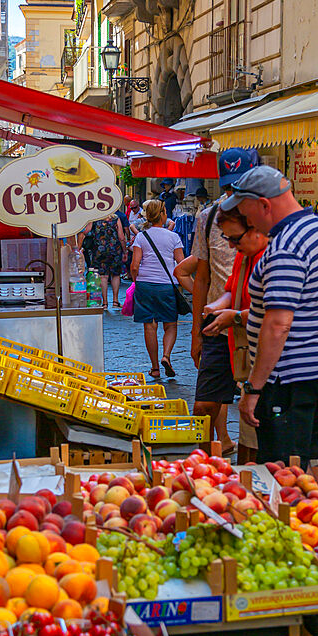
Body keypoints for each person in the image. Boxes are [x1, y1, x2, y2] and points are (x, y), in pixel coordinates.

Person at [221, 165, 318, 475]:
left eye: (247, 213)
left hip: (290, 379)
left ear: (265, 205)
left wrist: (254, 388)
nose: (248, 221)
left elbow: (278, 324)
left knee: (281, 472)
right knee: (302, 467)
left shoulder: (286, 247)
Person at [200, 206, 268, 462]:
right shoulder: (243, 254)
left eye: (233, 238)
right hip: (241, 346)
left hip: (267, 353)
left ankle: (254, 477)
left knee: (256, 428)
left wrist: (235, 316)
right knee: (246, 425)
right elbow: (232, 289)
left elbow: (274, 315)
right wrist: (215, 308)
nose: (229, 246)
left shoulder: (273, 257)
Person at [190, 181, 238, 455]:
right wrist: (197, 331)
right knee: (204, 404)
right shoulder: (207, 218)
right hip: (217, 327)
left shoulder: (271, 222)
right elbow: (201, 277)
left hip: (258, 329)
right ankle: (204, 464)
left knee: (257, 410)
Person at [130, 199, 184, 379]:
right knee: (170, 325)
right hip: (167, 285)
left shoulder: (141, 236)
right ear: (162, 214)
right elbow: (181, 264)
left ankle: (154, 367)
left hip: (145, 285)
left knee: (150, 327)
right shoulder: (174, 237)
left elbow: (135, 265)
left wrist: (136, 282)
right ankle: (166, 356)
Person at [78, 214, 126, 309]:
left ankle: (104, 303)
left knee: (103, 276)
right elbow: (121, 237)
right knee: (115, 275)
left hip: (99, 250)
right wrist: (125, 251)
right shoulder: (115, 218)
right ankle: (115, 301)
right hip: (114, 250)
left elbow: (85, 232)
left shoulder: (94, 218)